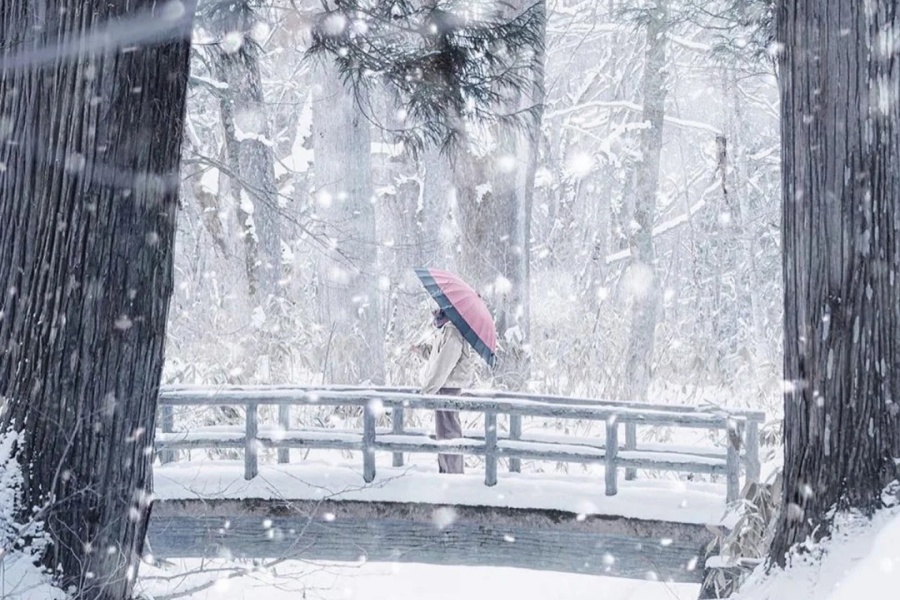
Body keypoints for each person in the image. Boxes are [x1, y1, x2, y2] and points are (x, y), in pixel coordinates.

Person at [419, 308, 477, 474]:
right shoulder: (445, 331)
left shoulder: (452, 332)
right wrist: (421, 350)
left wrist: (427, 390)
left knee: (448, 432)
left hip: (448, 387)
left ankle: (452, 473)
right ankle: (447, 471)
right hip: (444, 386)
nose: (434, 315)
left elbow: (443, 365)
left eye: (437, 312)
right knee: (443, 432)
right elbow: (437, 356)